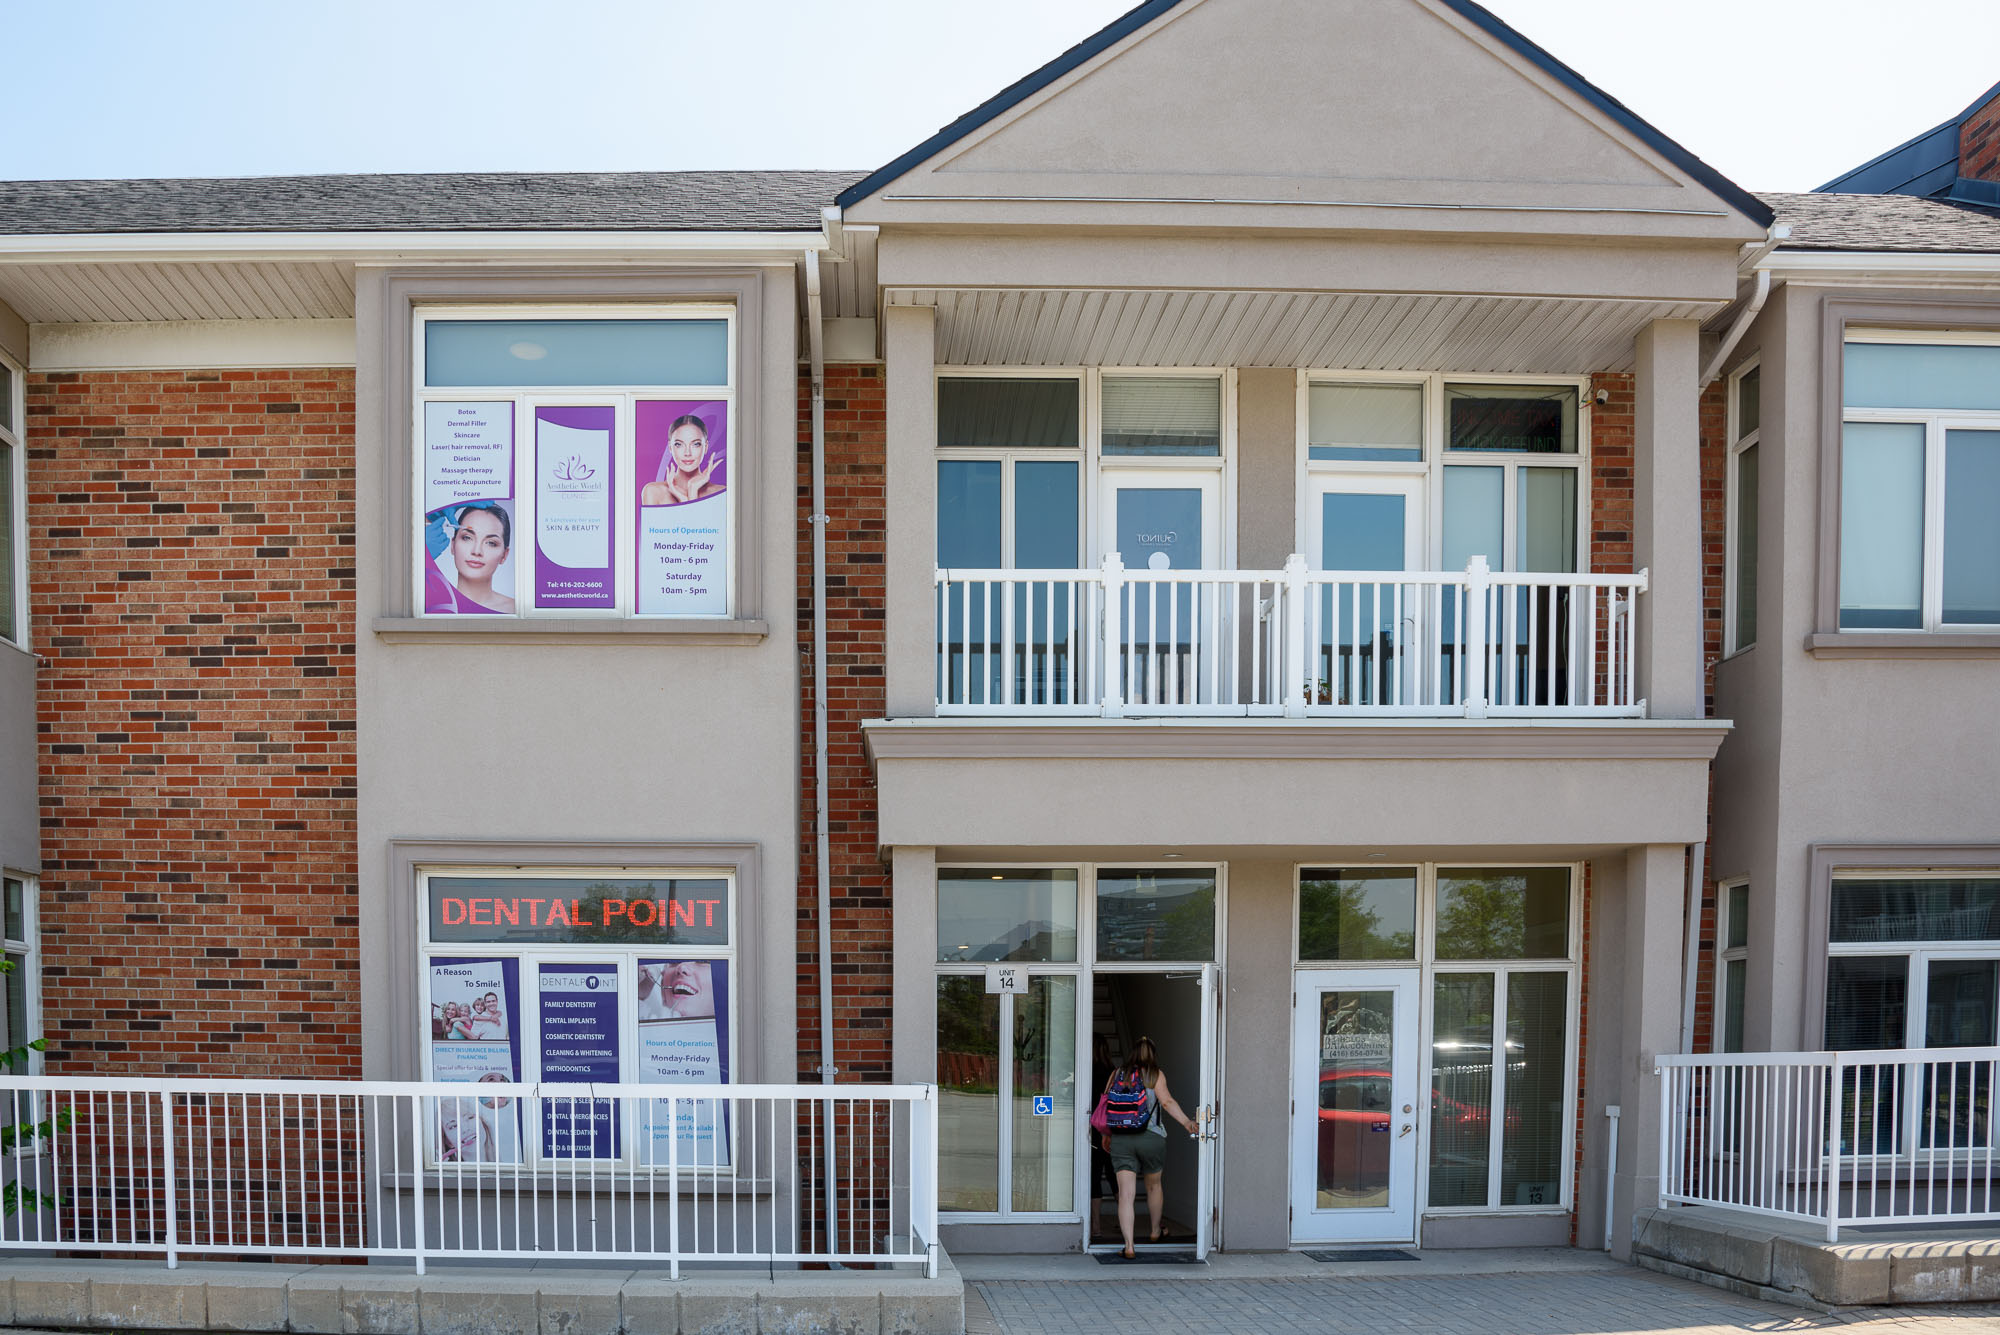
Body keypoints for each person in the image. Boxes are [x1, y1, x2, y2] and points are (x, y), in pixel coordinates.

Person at [1100, 1036, 1198, 1259]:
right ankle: (1155, 1232)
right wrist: (1187, 1123)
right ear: (1153, 1054)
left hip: (1121, 1139)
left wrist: (1107, 1134)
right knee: (1153, 1186)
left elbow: (1106, 1104)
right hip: (1151, 1137)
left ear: (1132, 1053)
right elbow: (1167, 1102)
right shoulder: (1156, 1075)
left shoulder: (1117, 1074)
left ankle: (1129, 1245)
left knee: (1126, 1194)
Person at [442, 503, 515, 613]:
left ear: (504, 555)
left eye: (491, 543)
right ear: (453, 545)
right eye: (467, 538)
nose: (476, 551)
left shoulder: (515, 610)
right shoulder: (432, 606)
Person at [641, 415, 724, 506]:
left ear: (706, 447)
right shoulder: (653, 491)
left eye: (696, 444)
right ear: (670, 448)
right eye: (678, 444)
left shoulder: (721, 493)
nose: (687, 453)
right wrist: (683, 498)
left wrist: (692, 492)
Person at [1089, 1035, 1116, 1241]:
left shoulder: (1087, 1070)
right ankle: (1127, 1222)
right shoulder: (1114, 1072)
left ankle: (1096, 1226)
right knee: (1116, 1176)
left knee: (1095, 1176)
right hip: (1113, 1129)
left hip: (1095, 1128)